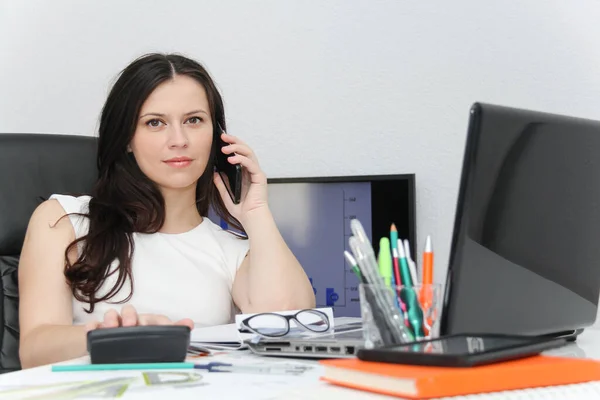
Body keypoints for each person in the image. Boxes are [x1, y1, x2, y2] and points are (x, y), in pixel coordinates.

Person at [17, 53, 316, 368]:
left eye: (194, 120)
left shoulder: (232, 251)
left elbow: (292, 326)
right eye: (155, 123)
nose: (179, 140)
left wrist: (257, 213)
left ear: (215, 136)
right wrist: (110, 338)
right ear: (128, 139)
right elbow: (34, 350)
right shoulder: (64, 219)